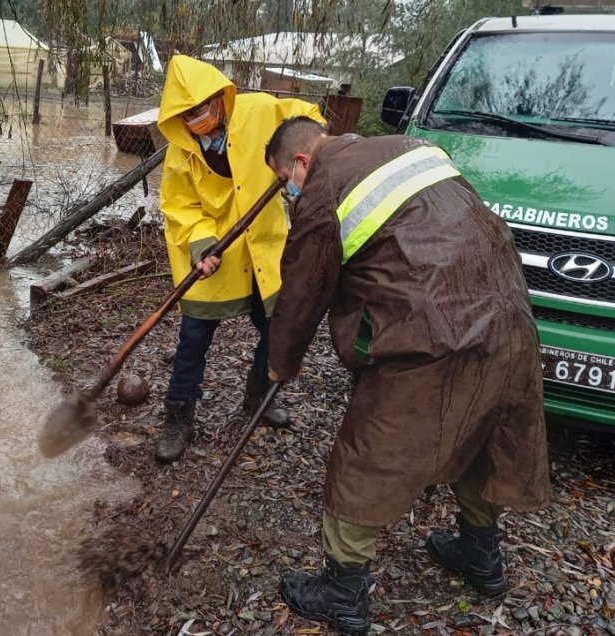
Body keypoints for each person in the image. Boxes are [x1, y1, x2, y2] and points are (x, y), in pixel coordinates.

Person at [263, 117, 550, 635]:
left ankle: (343, 591)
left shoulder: (324, 185)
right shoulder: (413, 147)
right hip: (510, 320)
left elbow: (303, 290)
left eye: (287, 180)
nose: (291, 191)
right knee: (482, 434)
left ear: (302, 161)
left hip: (435, 335)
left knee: (367, 454)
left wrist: (280, 364)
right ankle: (480, 555)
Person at [152, 56, 325, 462]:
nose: (196, 119)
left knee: (274, 327)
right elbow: (178, 205)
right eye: (186, 114)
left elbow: (311, 121)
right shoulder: (182, 152)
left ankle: (257, 396)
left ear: (218, 97)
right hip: (216, 253)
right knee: (193, 338)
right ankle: (179, 413)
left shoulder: (260, 110)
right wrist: (201, 244)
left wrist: (298, 154)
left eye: (200, 109)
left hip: (263, 247)